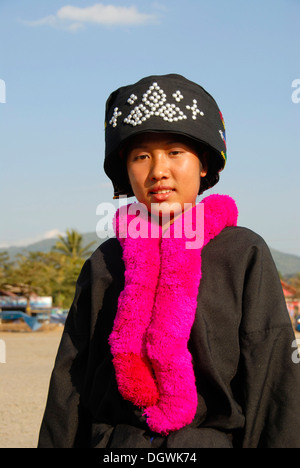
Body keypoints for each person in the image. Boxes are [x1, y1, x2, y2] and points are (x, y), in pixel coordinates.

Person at [38, 74, 300, 448]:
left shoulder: (243, 254)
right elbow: (70, 379)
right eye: (141, 155)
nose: (158, 170)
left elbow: (271, 376)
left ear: (205, 164)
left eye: (175, 152)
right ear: (126, 171)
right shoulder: (105, 262)